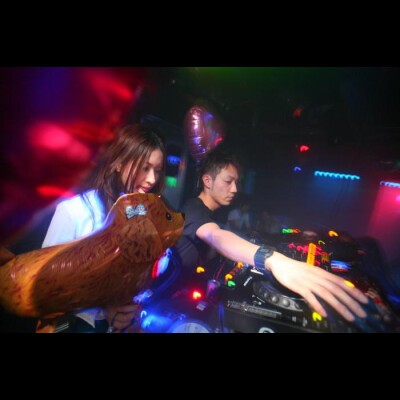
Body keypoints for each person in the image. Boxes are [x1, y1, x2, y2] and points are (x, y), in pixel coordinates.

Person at [172, 149, 369, 323]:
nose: (235, 189)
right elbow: (216, 235)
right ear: (207, 181)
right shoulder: (193, 208)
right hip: (174, 298)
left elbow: (240, 235)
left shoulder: (214, 213)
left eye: (236, 182)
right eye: (228, 181)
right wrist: (273, 260)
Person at [41, 123, 166, 333]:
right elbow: (44, 286)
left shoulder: (143, 215)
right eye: (145, 168)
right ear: (118, 163)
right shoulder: (75, 212)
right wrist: (103, 306)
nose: (152, 179)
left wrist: (131, 313)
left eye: (158, 171)